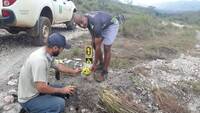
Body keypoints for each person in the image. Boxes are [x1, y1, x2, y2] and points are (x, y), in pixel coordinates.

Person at [18, 33, 81, 113]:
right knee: (59, 104)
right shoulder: (39, 60)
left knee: (66, 88)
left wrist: (74, 71)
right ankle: (30, 109)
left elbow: (58, 66)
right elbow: (41, 87)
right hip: (29, 99)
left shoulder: (47, 53)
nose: (62, 51)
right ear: (55, 48)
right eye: (62, 48)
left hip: (36, 91)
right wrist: (61, 90)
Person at [74, 11, 122, 82]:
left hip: (112, 24)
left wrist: (94, 64)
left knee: (106, 47)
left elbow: (98, 47)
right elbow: (94, 39)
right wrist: (93, 42)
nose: (82, 25)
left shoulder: (95, 24)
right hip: (102, 24)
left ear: (84, 17)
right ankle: (101, 63)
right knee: (93, 43)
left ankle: (105, 71)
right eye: (79, 24)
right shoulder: (87, 20)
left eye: (82, 22)